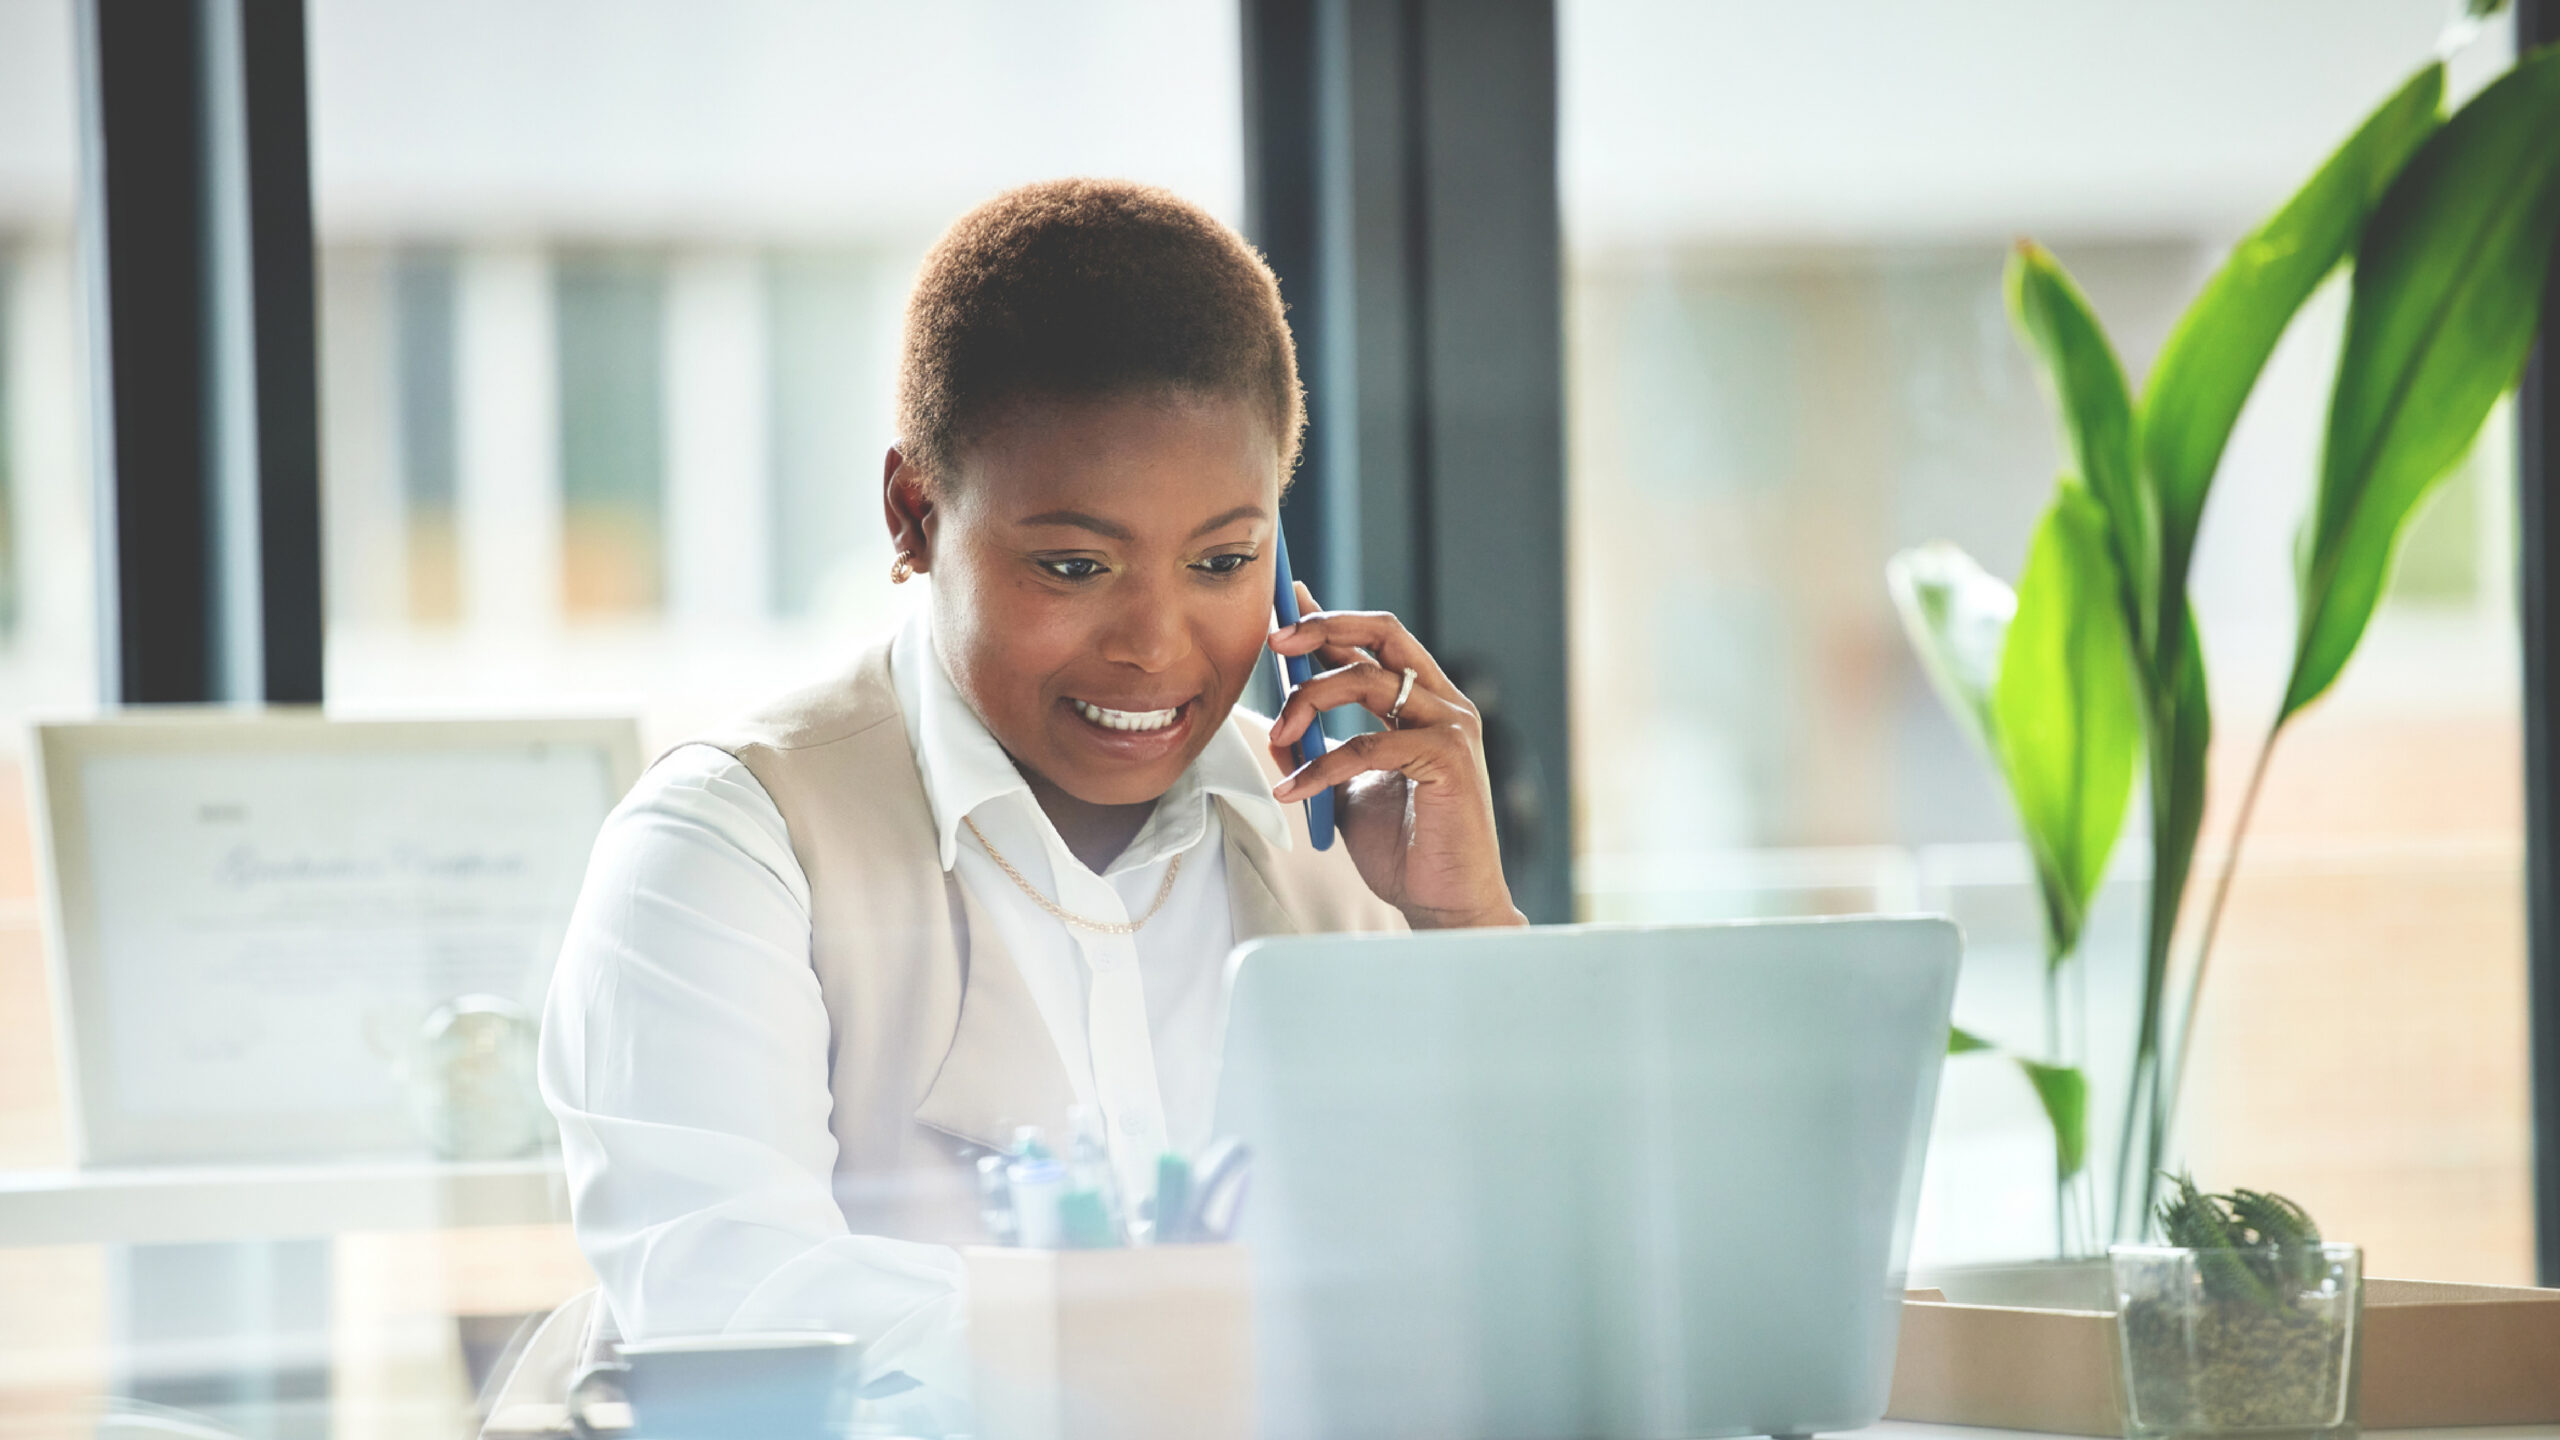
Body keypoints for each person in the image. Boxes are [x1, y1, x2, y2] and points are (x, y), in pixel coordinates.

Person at [536, 178, 1524, 1423]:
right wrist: (1193, 1334)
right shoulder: (728, 844)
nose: (1159, 648)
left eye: (1224, 561)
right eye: (1075, 565)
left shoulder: (1335, 830)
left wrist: (1466, 926)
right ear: (913, 515)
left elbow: (1543, 1289)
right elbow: (730, 1304)